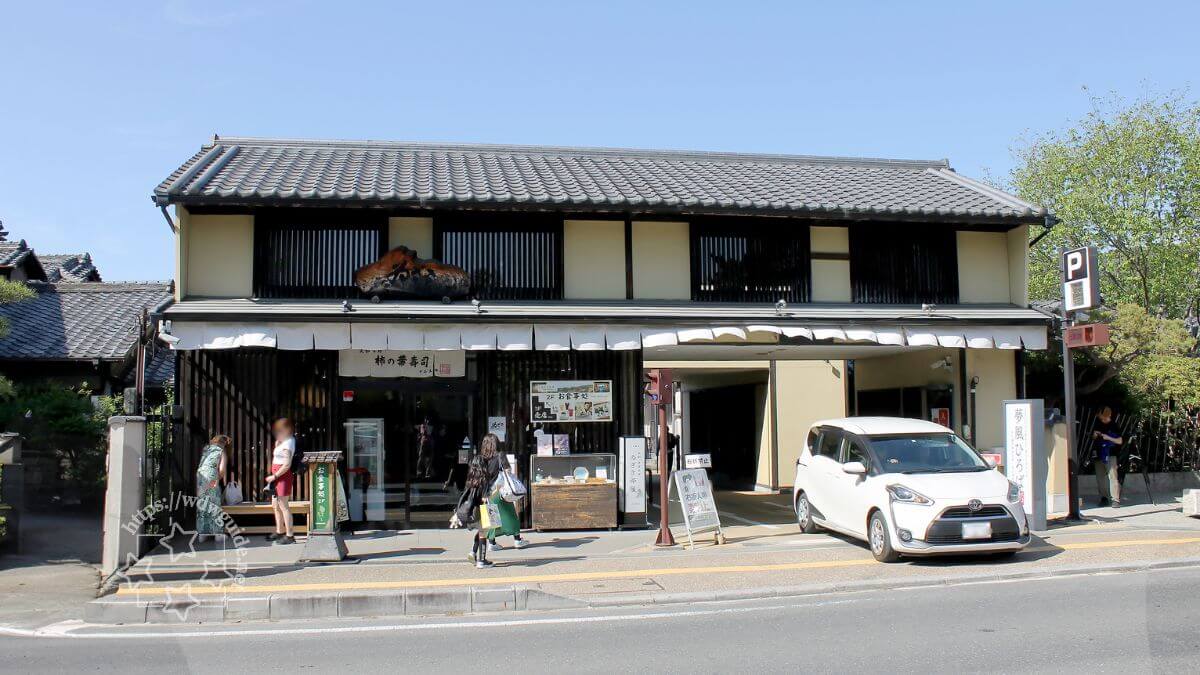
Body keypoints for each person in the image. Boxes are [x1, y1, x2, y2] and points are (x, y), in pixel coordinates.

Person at [479, 432, 527, 552]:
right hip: (499, 490)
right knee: (510, 514)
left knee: (491, 518)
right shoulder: (500, 455)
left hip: (486, 492)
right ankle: (517, 540)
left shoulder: (481, 458)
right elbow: (508, 470)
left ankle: (492, 543)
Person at [453, 454, 495, 568]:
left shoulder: (471, 479)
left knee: (482, 532)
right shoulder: (484, 480)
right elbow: (484, 498)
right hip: (482, 510)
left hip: (473, 511)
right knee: (483, 534)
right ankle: (482, 560)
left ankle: (473, 552)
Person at [265, 418, 297, 544]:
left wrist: (275, 476)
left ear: (288, 429)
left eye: (281, 430)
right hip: (277, 476)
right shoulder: (283, 442)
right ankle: (280, 531)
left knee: (283, 506)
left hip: (282, 477)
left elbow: (287, 464)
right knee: (275, 505)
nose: (278, 432)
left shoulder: (289, 442)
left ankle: (290, 535)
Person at [195, 434, 230, 539]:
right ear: (224, 444)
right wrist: (217, 479)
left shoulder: (206, 449)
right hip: (211, 477)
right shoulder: (221, 452)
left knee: (202, 504)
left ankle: (202, 534)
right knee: (214, 503)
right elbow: (222, 470)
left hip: (201, 477)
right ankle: (218, 534)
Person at [1092, 406, 1124, 507]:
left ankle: (1115, 499)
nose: (1102, 419)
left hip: (1110, 453)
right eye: (1101, 417)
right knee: (1100, 478)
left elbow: (1120, 441)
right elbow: (1093, 437)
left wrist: (1108, 437)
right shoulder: (1097, 423)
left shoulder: (1114, 425)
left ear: (1108, 415)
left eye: (1104, 417)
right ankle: (1104, 498)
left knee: (1113, 476)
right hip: (1098, 453)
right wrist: (1095, 435)